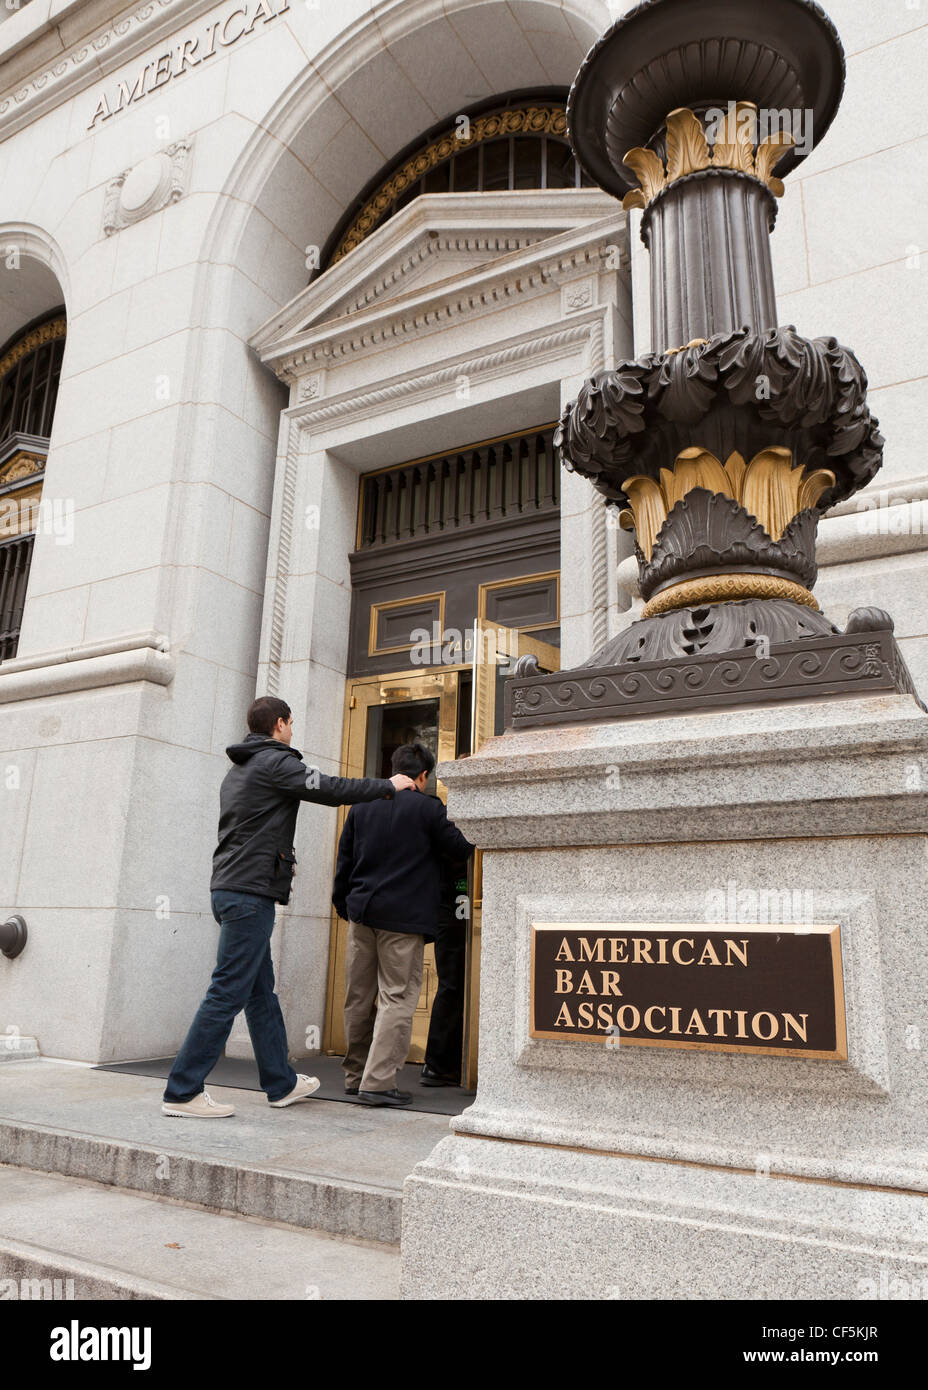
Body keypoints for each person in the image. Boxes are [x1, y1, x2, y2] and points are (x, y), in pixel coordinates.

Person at [162, 696, 415, 1118]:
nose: (293, 731)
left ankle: (280, 1083)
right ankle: (183, 1090)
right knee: (227, 991)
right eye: (291, 723)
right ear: (279, 724)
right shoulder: (273, 763)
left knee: (259, 993)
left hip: (231, 889)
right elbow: (331, 789)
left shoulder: (239, 770)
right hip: (249, 895)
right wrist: (389, 785)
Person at [332, 742, 474, 1107]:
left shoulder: (362, 806)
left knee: (358, 999)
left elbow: (343, 861)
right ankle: (377, 1083)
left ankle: (355, 1075)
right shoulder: (428, 809)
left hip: (362, 914)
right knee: (398, 997)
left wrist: (344, 904)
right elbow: (462, 848)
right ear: (423, 776)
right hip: (403, 920)